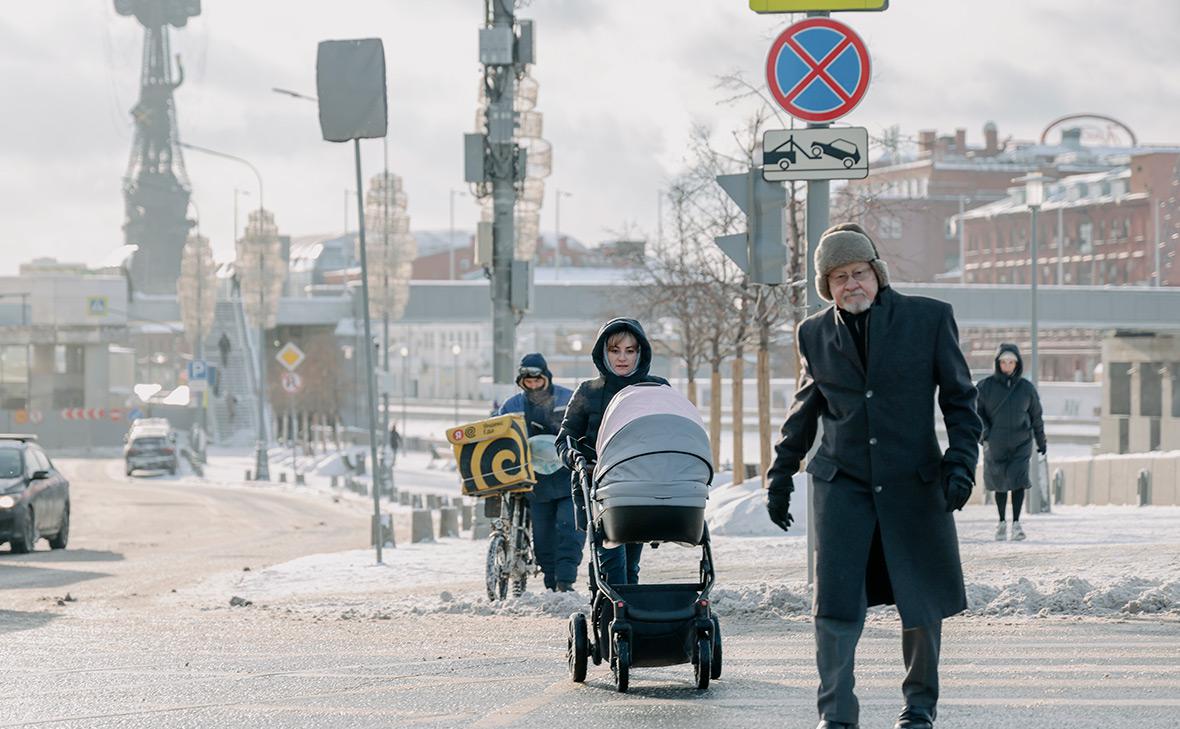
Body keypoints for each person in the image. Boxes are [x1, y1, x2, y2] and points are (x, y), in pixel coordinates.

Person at [765, 222, 981, 729]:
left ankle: (919, 708)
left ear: (877, 273)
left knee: (920, 601)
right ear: (828, 286)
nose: (850, 285)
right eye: (838, 278)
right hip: (843, 483)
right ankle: (836, 715)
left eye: (858, 272)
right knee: (835, 604)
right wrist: (780, 473)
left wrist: (961, 463)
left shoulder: (928, 319)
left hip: (914, 482)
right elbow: (804, 409)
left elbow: (960, 401)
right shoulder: (814, 332)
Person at [557, 318, 668, 587]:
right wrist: (577, 459)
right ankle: (615, 610)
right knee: (612, 561)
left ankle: (623, 614)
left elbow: (669, 431)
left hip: (640, 487)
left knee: (630, 563)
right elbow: (565, 439)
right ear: (603, 352)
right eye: (615, 350)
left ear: (640, 353)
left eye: (630, 351)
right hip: (600, 489)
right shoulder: (588, 392)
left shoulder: (656, 388)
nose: (622, 358)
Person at [498, 353, 583, 592]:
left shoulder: (569, 399)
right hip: (535, 483)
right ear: (522, 382)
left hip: (567, 479)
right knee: (543, 536)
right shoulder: (513, 406)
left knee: (569, 528)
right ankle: (550, 583)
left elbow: (586, 426)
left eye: (538, 380)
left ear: (547, 377)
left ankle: (565, 582)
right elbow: (495, 428)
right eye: (528, 382)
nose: (534, 386)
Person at [976, 343, 1047, 542]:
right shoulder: (985, 387)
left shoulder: (1026, 388)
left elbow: (1036, 416)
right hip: (995, 443)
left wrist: (1041, 441)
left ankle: (1016, 523)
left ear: (1017, 364)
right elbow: (976, 413)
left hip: (1021, 443)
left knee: (1018, 481)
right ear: (997, 363)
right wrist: (985, 433)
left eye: (1011, 362)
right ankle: (1001, 522)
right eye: (1004, 362)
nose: (1008, 365)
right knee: (999, 483)